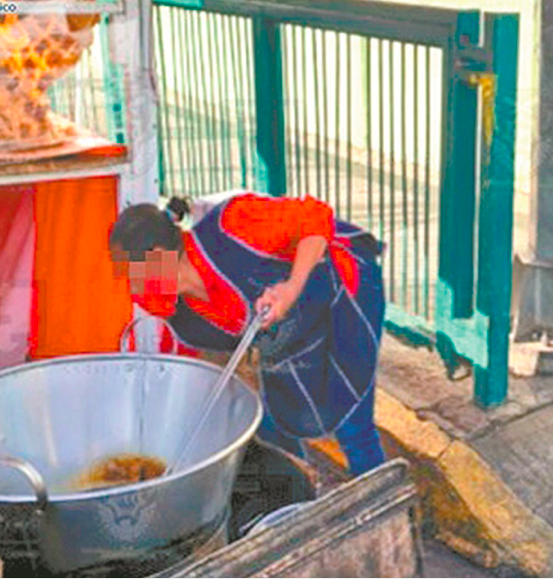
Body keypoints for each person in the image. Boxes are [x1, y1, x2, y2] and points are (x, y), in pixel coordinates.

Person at [109, 192, 387, 477]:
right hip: (292, 328)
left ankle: (388, 509)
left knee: (352, 421)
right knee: (270, 422)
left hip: (343, 288)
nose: (131, 285)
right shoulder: (172, 307)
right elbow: (189, 370)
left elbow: (315, 218)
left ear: (157, 257)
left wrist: (291, 287)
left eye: (133, 272)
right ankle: (303, 491)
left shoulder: (232, 225)